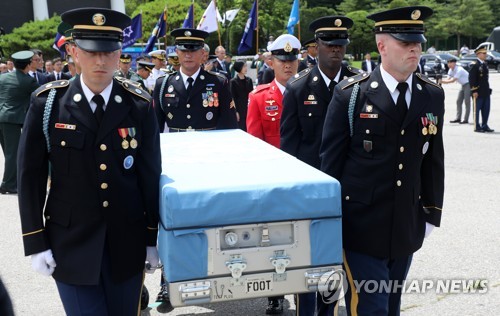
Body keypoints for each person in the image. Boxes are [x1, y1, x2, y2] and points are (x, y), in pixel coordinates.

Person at [17, 8, 162, 316]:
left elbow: (150, 177)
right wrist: (35, 240)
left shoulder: (139, 105)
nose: (100, 61)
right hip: (71, 242)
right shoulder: (49, 104)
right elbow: (29, 177)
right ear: (73, 51)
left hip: (127, 241)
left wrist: (152, 238)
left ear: (120, 52)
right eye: (91, 51)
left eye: (109, 52)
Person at [320, 6, 444, 315]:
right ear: (382, 46)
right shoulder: (351, 95)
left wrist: (430, 214)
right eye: (405, 42)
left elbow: (433, 161)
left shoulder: (431, 95)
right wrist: (327, 224)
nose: (414, 48)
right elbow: (331, 164)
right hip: (361, 227)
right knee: (369, 307)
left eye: (417, 41)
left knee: (391, 305)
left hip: (405, 225)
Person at [280, 16, 360, 315]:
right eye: (329, 45)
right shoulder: (299, 87)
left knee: (341, 259)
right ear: (317, 47)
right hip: (311, 190)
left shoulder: (358, 84)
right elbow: (289, 147)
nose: (336, 51)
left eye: (341, 45)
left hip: (349, 188)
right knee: (309, 261)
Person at [247, 34, 301, 314]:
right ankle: (275, 292)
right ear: (271, 61)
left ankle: (306, 290)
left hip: (304, 177)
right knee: (274, 239)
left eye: (292, 59)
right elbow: (254, 143)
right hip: (274, 179)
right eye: (282, 60)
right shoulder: (258, 97)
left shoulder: (308, 91)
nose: (288, 65)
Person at [153, 28, 237, 133]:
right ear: (177, 52)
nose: (188, 55)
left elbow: (229, 124)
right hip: (175, 147)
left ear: (202, 53)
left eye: (193, 50)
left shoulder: (219, 82)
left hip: (208, 146)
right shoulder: (163, 84)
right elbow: (155, 127)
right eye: (183, 50)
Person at [0, 51, 39, 194]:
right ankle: (7, 185)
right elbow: (41, 97)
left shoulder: (3, 77)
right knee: (13, 154)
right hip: (13, 119)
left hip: (2, 117)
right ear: (28, 64)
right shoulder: (28, 81)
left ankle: (11, 181)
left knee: (9, 153)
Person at [469, 44, 494, 132]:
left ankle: (484, 125)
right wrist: (474, 90)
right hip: (478, 92)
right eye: (483, 53)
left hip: (485, 91)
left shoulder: (484, 64)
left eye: (485, 53)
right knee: (477, 110)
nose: (485, 55)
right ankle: (477, 126)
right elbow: (472, 79)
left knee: (486, 109)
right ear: (478, 54)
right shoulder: (474, 65)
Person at [441, 58, 471, 124]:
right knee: (458, 101)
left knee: (467, 101)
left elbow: (452, 80)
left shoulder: (459, 69)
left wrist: (442, 81)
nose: (449, 64)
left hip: (468, 84)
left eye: (450, 63)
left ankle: (466, 119)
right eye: (448, 63)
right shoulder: (451, 70)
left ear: (454, 63)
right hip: (463, 85)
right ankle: (458, 118)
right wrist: (440, 79)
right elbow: (448, 78)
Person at [230, 60, 253, 131]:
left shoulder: (249, 80)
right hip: (239, 110)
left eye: (246, 66)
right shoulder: (233, 81)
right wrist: (235, 112)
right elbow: (232, 97)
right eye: (244, 66)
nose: (246, 68)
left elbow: (252, 95)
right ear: (239, 67)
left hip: (249, 108)